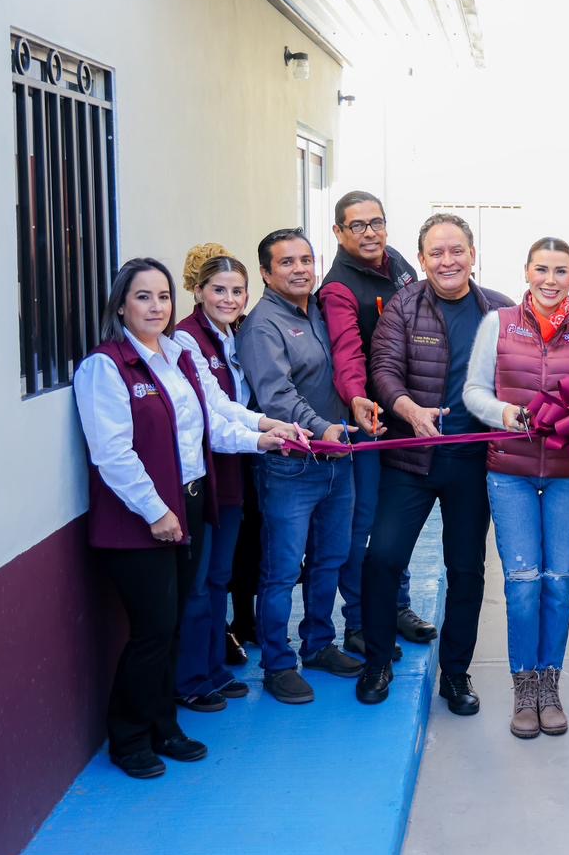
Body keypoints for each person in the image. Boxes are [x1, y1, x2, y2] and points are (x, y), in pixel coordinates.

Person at [74, 258, 288, 778]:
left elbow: (212, 422)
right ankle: (129, 739)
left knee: (169, 629)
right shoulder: (106, 366)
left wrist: (262, 436)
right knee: (152, 630)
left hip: (188, 503)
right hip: (141, 517)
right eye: (143, 296)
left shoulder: (176, 355)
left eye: (163, 296)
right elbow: (112, 454)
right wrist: (157, 512)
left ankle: (164, 726)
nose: (156, 307)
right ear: (121, 305)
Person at [354, 214, 513, 712]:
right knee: (383, 560)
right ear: (421, 260)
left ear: (473, 254)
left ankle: (457, 675)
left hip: (473, 464)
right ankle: (378, 661)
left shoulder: (501, 311)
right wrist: (409, 410)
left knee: (466, 570)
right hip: (410, 462)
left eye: (457, 250)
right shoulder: (402, 307)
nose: (448, 261)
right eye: (437, 253)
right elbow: (383, 370)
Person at [463, 237, 569, 738]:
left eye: (560, 270)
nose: (551, 280)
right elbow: (474, 391)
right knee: (523, 581)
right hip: (511, 471)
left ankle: (551, 685)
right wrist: (506, 413)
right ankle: (524, 687)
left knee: (559, 581)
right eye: (542, 269)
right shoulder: (498, 324)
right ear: (527, 272)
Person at [238, 228, 369, 705]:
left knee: (329, 559)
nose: (300, 269)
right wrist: (322, 428)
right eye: (287, 262)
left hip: (337, 462)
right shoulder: (262, 326)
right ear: (266, 272)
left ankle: (318, 644)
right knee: (281, 570)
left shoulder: (318, 311)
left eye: (306, 260)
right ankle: (277, 664)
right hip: (290, 468)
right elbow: (277, 395)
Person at [171, 246, 302, 712]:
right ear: (198, 292)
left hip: (232, 473)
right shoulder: (186, 340)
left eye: (237, 291)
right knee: (200, 582)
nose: (229, 299)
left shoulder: (231, 335)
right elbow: (211, 413)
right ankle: (191, 678)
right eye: (219, 290)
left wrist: (267, 423)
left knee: (220, 577)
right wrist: (263, 436)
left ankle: (214, 670)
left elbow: (233, 406)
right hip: (204, 475)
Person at [319, 191, 433, 660]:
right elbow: (347, 352)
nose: (370, 233)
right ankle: (360, 621)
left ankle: (396, 606)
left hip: (405, 412)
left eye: (377, 222)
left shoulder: (399, 263)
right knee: (361, 523)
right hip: (369, 421)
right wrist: (356, 399)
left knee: (395, 520)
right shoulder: (338, 288)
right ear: (339, 232)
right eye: (358, 225)